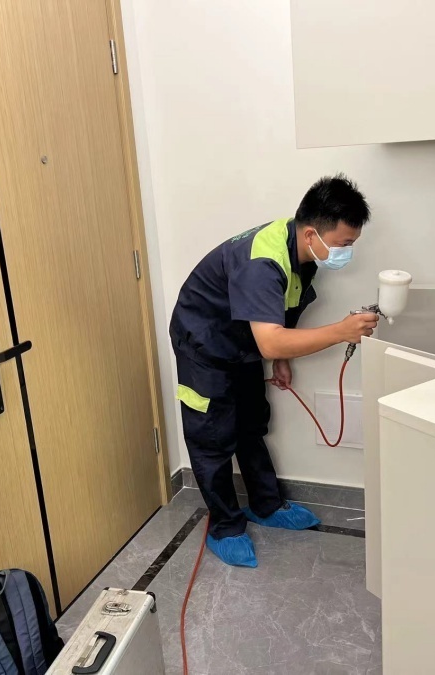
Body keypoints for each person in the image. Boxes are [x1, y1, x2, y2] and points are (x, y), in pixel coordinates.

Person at [169, 174, 378, 567]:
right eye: (344, 244)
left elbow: (285, 308)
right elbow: (270, 340)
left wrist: (283, 358)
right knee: (213, 437)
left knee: (251, 423)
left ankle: (266, 505)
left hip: (243, 341)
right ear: (313, 233)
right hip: (203, 344)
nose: (346, 253)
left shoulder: (301, 250)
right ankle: (225, 527)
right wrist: (340, 332)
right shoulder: (262, 263)